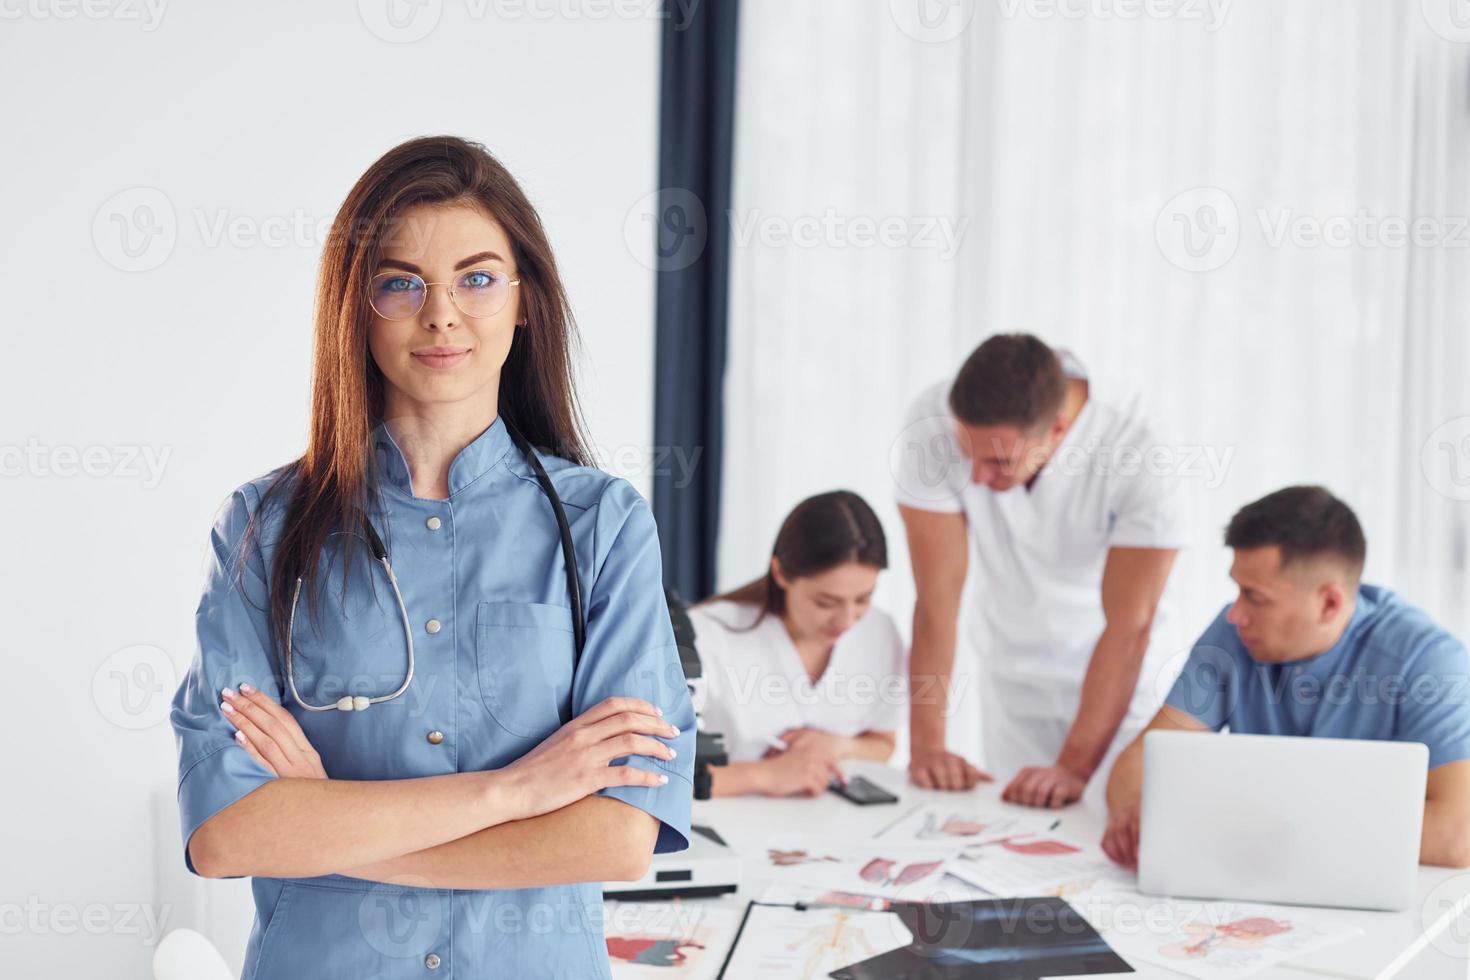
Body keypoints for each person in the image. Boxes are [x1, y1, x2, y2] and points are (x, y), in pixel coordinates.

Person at [169, 136, 696, 978]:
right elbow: (230, 834)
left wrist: (327, 827)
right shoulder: (264, 527)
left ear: (524, 303)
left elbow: (618, 834)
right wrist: (516, 793)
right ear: (358, 306)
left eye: (477, 278)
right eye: (400, 283)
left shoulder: (604, 527)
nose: (442, 313)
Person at [1102, 486, 1470, 869]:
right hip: (1256, 878)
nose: (1235, 614)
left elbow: (1458, 835)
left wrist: (1237, 826)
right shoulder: (1232, 638)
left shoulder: (1429, 660)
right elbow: (1140, 762)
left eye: (1255, 596)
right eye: (1237, 590)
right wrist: (1135, 812)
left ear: (1329, 603)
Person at [894, 333, 1188, 809]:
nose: (977, 480)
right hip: (1013, 680)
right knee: (1016, 855)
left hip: (1122, 688)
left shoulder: (1142, 443)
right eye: (968, 455)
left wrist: (1073, 768)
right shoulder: (931, 426)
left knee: (1114, 848)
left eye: (998, 462)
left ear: (1059, 430)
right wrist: (927, 746)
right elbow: (936, 601)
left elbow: (1130, 625)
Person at [690, 491, 907, 797]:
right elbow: (657, 777)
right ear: (780, 573)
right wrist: (762, 775)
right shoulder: (707, 635)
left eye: (863, 599)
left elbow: (884, 743)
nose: (847, 620)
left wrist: (838, 746)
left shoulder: (879, 631)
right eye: (826, 602)